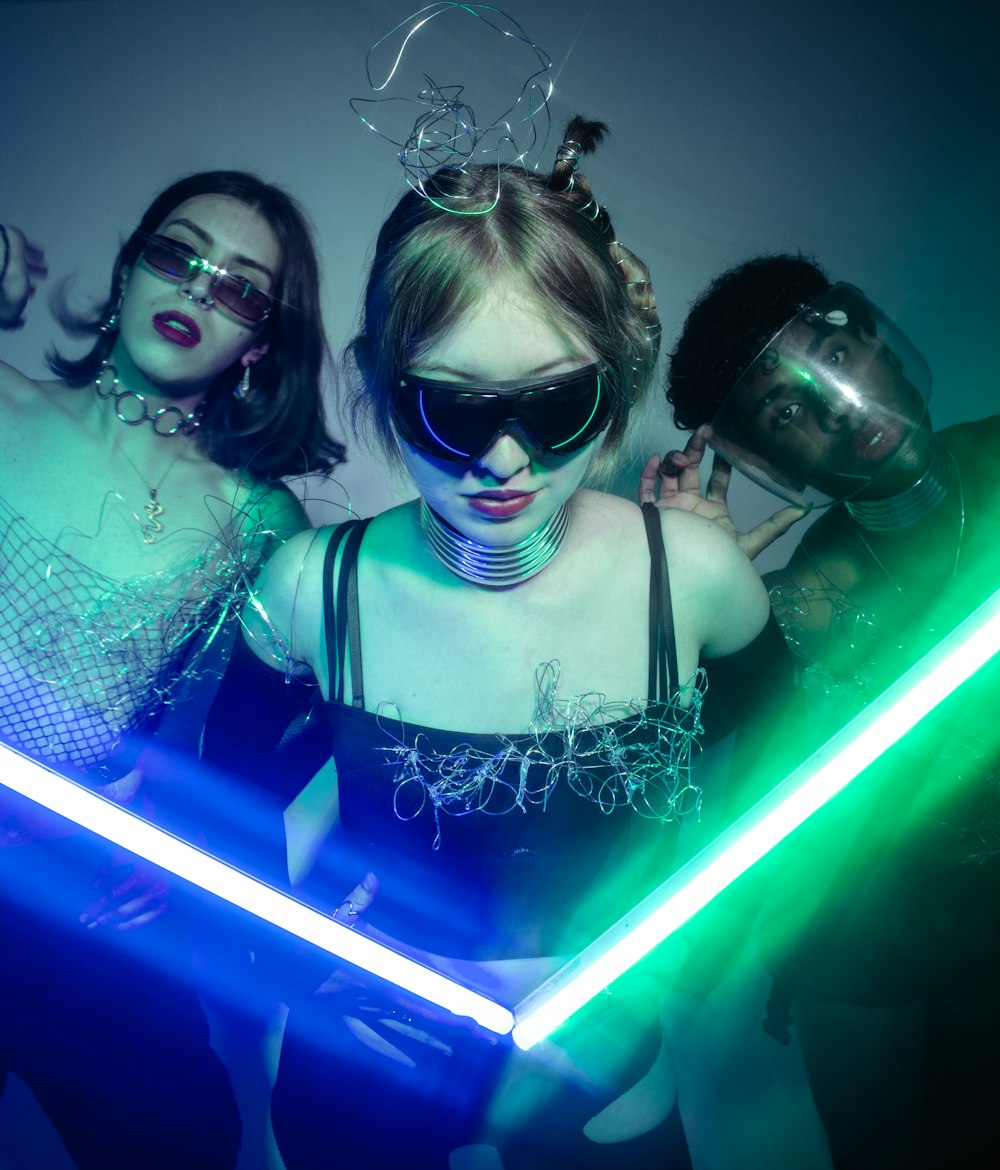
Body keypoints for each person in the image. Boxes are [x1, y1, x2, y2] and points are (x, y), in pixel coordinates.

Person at [203, 119, 769, 1170]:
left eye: (555, 402)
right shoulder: (308, 587)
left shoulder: (692, 578)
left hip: (602, 1080)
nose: (503, 459)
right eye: (449, 409)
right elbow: (216, 799)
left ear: (614, 375)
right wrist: (289, 952)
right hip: (368, 1068)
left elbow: (798, 793)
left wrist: (678, 967)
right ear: (380, 379)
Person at [0, 170, 343, 1168]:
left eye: (238, 288)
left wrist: (166, 844)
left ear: (262, 339)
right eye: (177, 255)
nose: (197, 292)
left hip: (80, 899)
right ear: (128, 266)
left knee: (186, 1140)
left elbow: (219, 748)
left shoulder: (258, 519)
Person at [648, 253, 1000, 1168]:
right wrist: (699, 589)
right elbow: (706, 746)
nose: (838, 409)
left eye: (834, 360)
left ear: (874, 340)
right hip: (889, 934)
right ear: (769, 456)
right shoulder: (809, 587)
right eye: (785, 411)